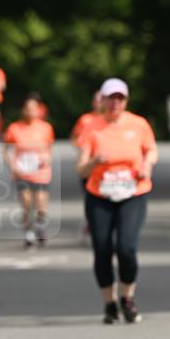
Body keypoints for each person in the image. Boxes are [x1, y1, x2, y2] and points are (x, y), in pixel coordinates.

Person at [77, 78, 158, 325]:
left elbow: (151, 150)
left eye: (120, 98)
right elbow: (81, 169)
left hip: (133, 193)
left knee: (126, 248)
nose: (115, 102)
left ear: (125, 100)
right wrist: (94, 162)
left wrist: (147, 165)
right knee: (102, 250)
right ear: (102, 100)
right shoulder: (92, 127)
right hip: (99, 195)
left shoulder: (138, 124)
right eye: (110, 98)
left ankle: (127, 298)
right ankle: (109, 303)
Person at [3, 96, 55, 248]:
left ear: (38, 110)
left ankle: (40, 225)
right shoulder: (14, 128)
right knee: (26, 202)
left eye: (33, 108)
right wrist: (12, 166)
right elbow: (6, 150)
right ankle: (28, 233)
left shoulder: (45, 128)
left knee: (40, 202)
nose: (30, 111)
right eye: (27, 108)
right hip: (22, 171)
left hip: (41, 171)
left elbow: (50, 149)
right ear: (23, 110)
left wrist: (47, 159)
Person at [70, 90, 105, 240]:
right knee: (91, 195)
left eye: (101, 100)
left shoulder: (111, 120)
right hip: (89, 165)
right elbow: (74, 137)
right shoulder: (85, 120)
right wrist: (83, 149)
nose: (99, 103)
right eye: (96, 100)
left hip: (105, 167)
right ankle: (90, 221)